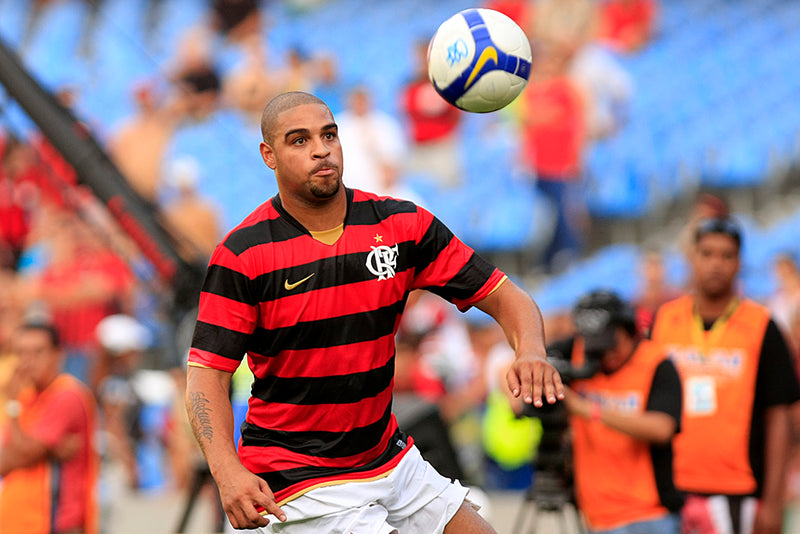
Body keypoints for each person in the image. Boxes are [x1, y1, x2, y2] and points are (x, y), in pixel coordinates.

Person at [185, 91, 565, 533]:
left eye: (329, 135)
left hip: (387, 457)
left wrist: (531, 350)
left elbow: (506, 295)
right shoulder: (243, 254)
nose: (321, 149)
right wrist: (226, 470)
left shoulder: (401, 225)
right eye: (299, 140)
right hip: (300, 476)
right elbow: (206, 375)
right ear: (269, 155)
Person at [650, 217, 800, 534]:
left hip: (739, 491)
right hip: (667, 489)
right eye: (707, 254)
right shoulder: (664, 320)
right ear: (691, 259)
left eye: (726, 255)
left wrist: (773, 503)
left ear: (739, 263)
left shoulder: (762, 326)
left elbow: (780, 417)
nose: (716, 264)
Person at [555, 290, 683, 533]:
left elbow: (662, 428)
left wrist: (586, 409)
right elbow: (522, 358)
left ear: (629, 331)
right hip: (598, 516)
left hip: (651, 514)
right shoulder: (576, 352)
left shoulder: (656, 363)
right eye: (597, 349)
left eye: (611, 345)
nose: (606, 356)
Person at [0, 321, 99, 534]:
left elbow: (24, 452)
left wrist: (13, 406)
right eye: (22, 353)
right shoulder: (25, 399)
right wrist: (47, 451)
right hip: (21, 523)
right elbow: (5, 461)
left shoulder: (66, 394)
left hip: (58, 522)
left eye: (37, 352)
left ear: (57, 354)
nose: (28, 361)